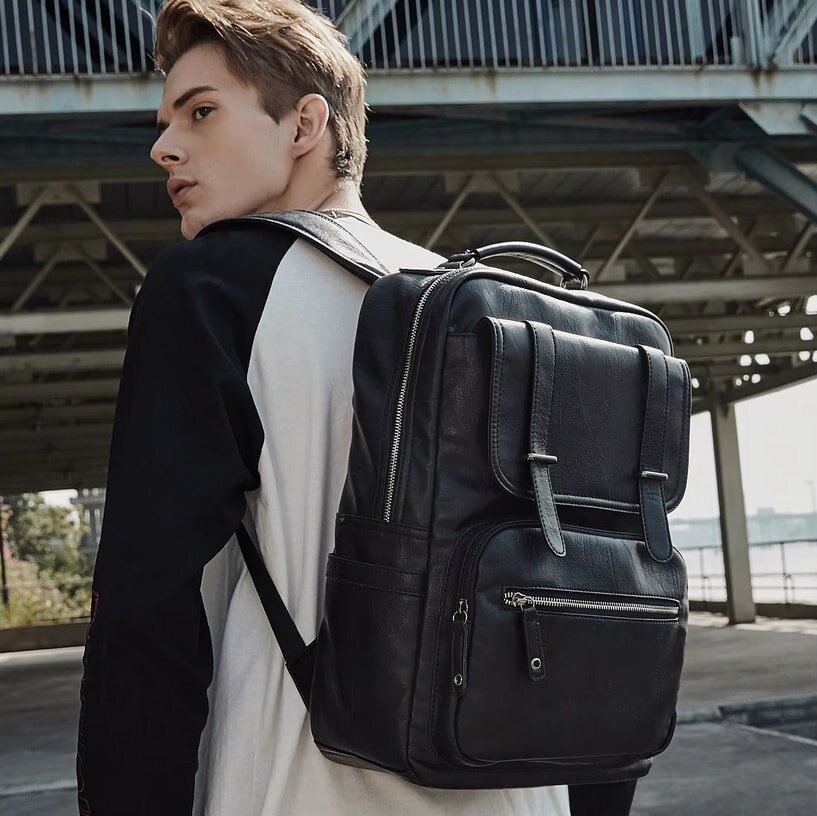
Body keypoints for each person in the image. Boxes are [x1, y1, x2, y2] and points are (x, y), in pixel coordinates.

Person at [74, 2, 635, 814]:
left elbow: (147, 605)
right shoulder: (503, 307)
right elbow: (594, 595)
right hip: (521, 791)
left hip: (307, 788)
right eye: (168, 121)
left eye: (201, 111)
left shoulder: (213, 285)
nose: (165, 146)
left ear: (305, 124)